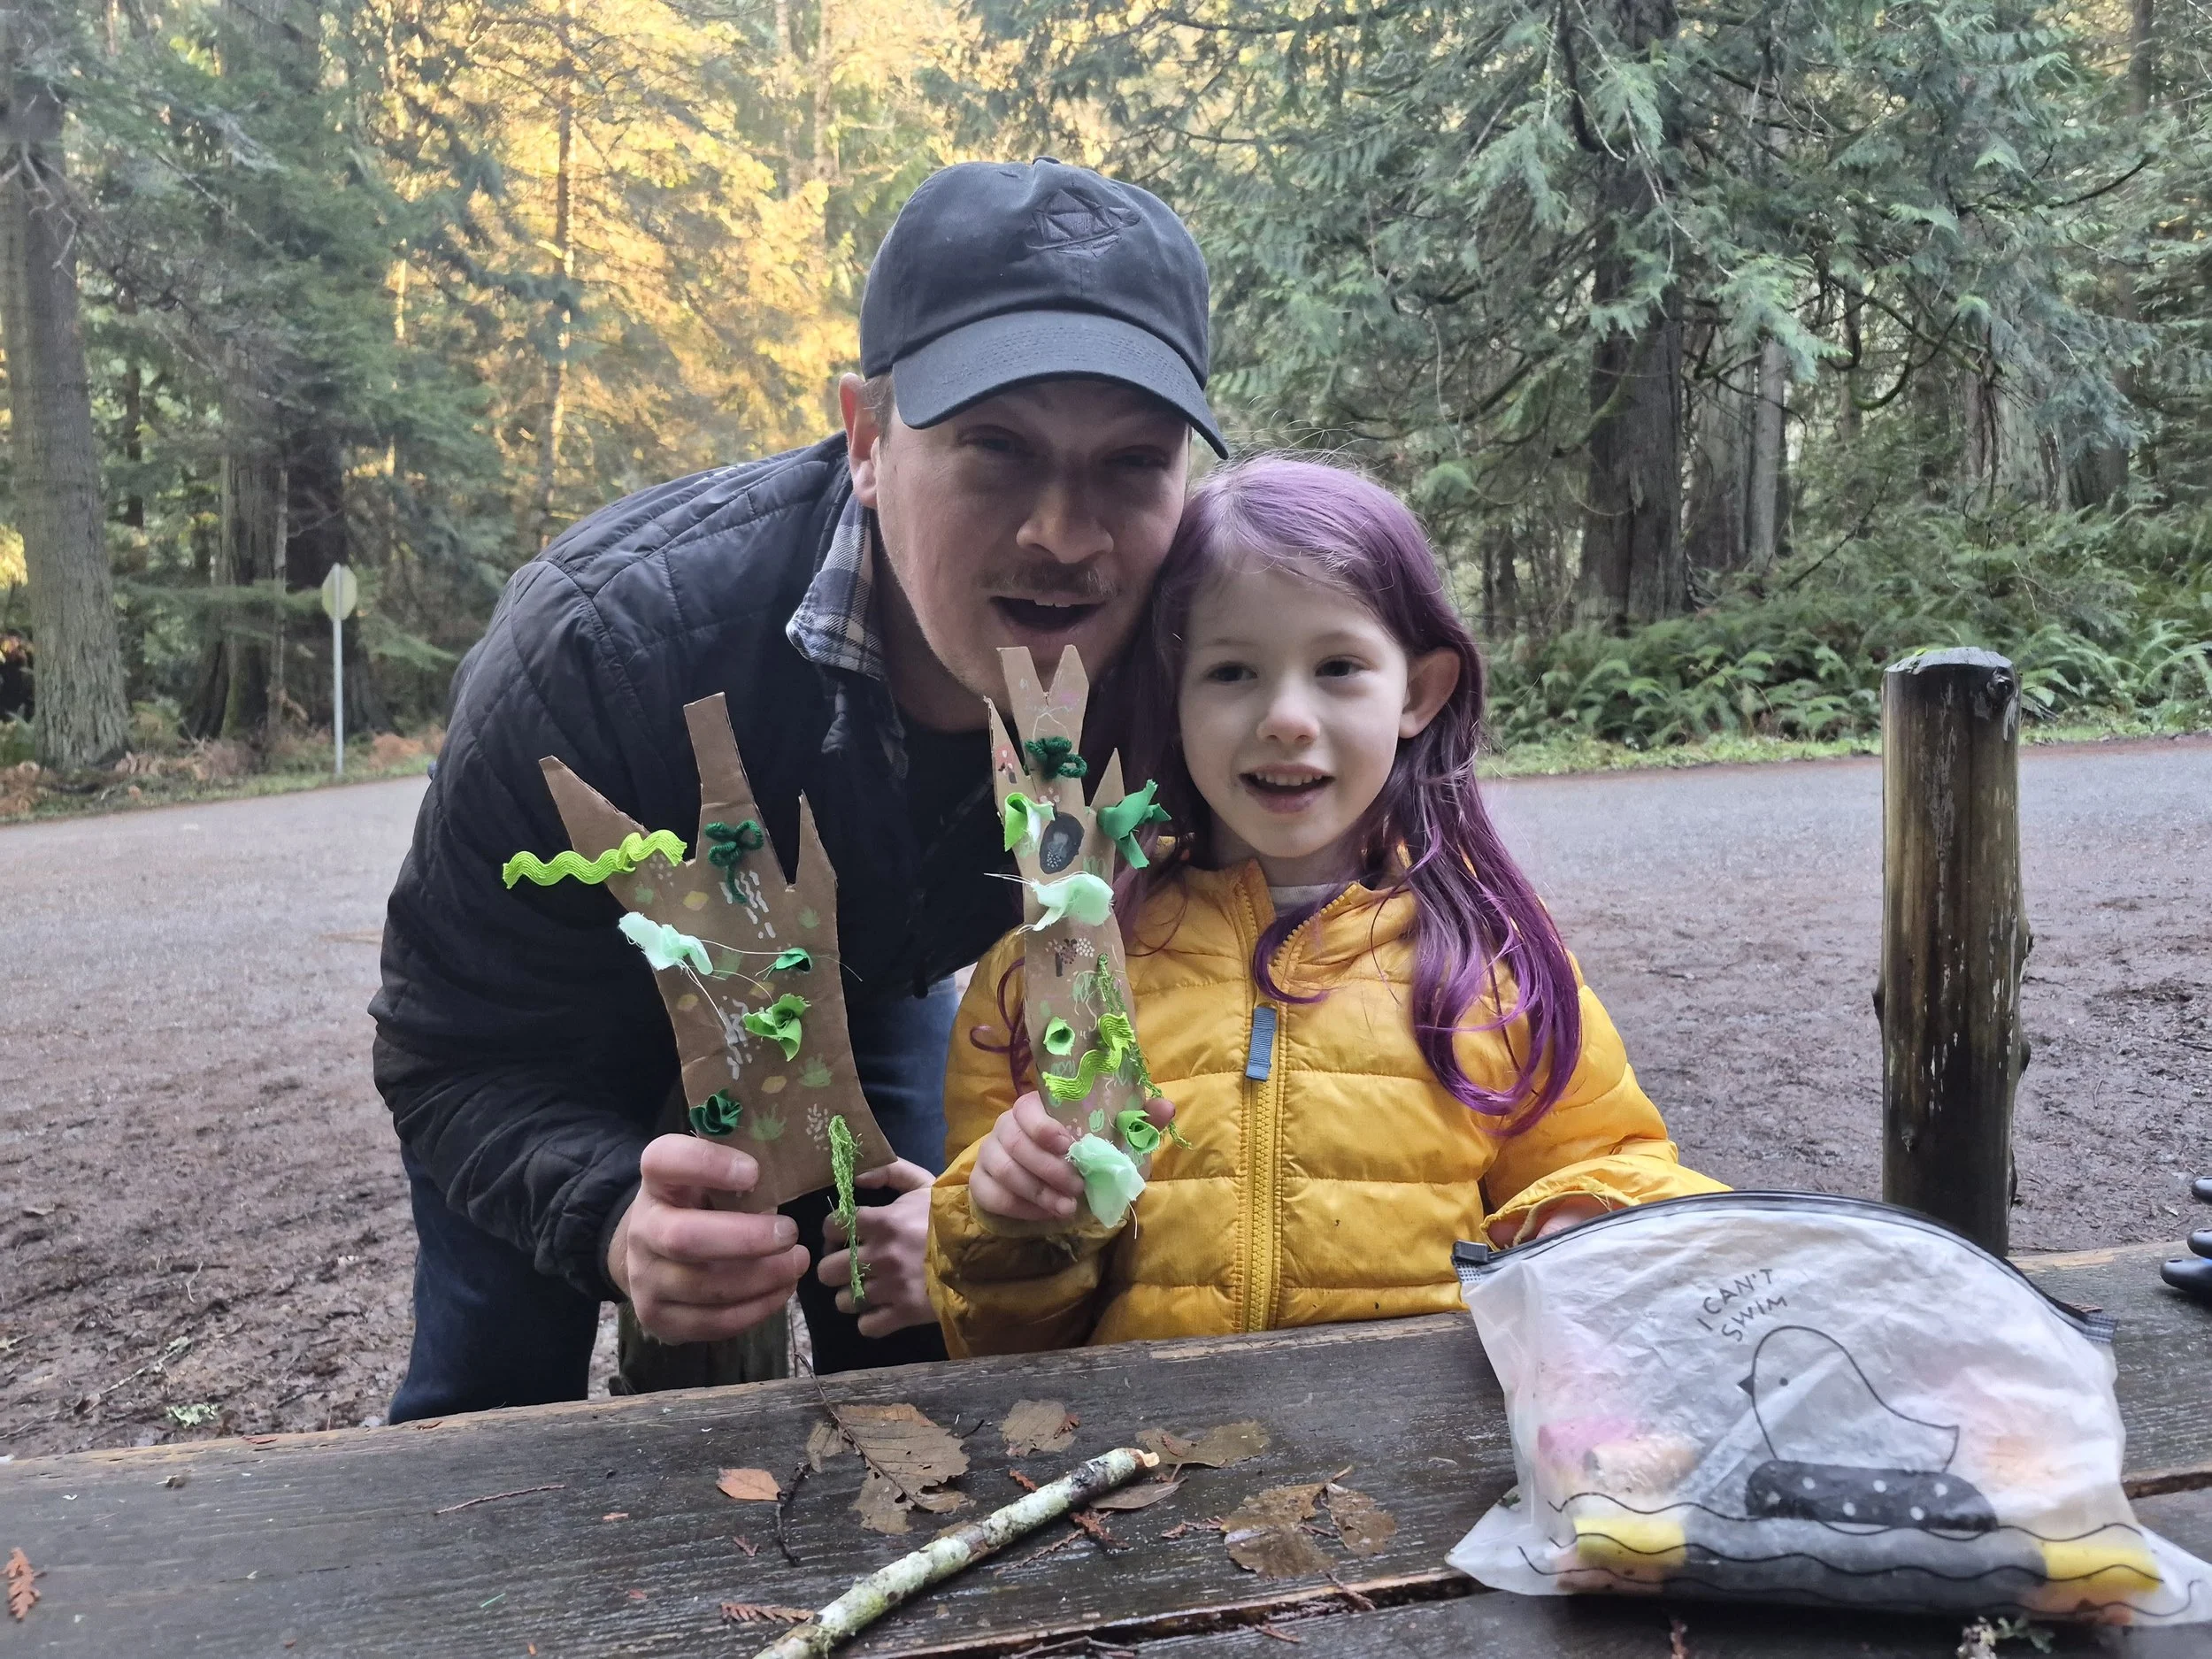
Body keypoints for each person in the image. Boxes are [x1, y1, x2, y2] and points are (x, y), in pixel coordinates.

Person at [369, 157, 1227, 1417]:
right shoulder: (605, 652)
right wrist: (612, 1217)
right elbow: (451, 1049)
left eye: (1131, 462)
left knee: (921, 1320)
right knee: (493, 1388)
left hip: (864, 969)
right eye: (997, 448)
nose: (1066, 529)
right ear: (869, 440)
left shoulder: (1195, 666)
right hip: (566, 1013)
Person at [926, 457, 1727, 1353]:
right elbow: (993, 1342)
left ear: (1418, 693)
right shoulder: (1053, 979)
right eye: (1232, 672)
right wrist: (1010, 1227)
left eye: (1338, 666)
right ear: (1173, 693)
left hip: (1419, 1464)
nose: (1287, 717)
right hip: (1150, 1474)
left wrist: (1584, 1220)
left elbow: (1611, 1162)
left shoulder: (1488, 963)